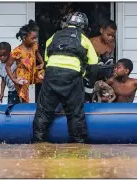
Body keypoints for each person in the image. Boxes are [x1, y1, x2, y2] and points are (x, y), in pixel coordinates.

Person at [32, 12, 98, 143]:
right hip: (72, 76)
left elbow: (47, 59)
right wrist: (88, 88)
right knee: (75, 113)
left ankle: (37, 144)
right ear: (83, 26)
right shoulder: (84, 40)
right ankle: (78, 145)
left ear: (67, 23)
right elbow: (93, 64)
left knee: (43, 111)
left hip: (51, 75)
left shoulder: (54, 37)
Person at [6, 20, 45, 103]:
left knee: (46, 78)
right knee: (23, 92)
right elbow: (7, 66)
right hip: (22, 74)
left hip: (33, 71)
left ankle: (45, 102)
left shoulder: (34, 45)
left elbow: (37, 53)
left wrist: (42, 63)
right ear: (24, 38)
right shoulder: (17, 51)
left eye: (35, 38)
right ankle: (25, 108)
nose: (35, 40)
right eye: (32, 38)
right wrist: (13, 79)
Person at [84, 19, 117, 102]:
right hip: (92, 75)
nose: (111, 38)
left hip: (105, 76)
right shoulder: (91, 42)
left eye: (113, 36)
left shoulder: (112, 44)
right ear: (101, 30)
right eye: (108, 35)